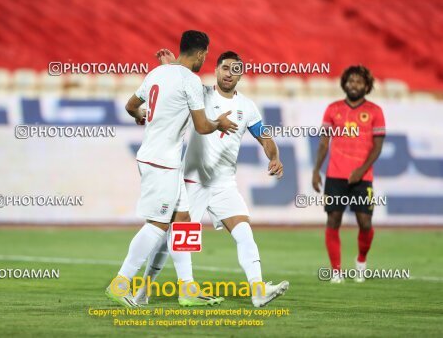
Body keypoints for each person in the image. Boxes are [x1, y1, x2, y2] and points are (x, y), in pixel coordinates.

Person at [134, 49, 289, 308]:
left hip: (224, 184)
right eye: (225, 68)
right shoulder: (200, 93)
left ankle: (258, 290)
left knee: (244, 233)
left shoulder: (247, 107)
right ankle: (144, 289)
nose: (230, 74)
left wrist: (274, 157)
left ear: (241, 75)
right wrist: (171, 66)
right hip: (191, 182)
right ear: (216, 70)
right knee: (170, 238)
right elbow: (178, 80)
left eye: (236, 70)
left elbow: (266, 138)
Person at [105, 31, 238, 307]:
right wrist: (219, 124)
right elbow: (202, 126)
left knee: (183, 221)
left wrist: (144, 116)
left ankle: (187, 288)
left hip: (159, 159)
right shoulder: (190, 80)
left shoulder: (158, 74)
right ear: (201, 54)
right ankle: (121, 283)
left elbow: (131, 106)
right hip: (162, 161)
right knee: (157, 224)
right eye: (206, 55)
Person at [312, 65, 386, 283]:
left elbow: (377, 147)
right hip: (335, 176)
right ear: (344, 83)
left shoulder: (375, 111)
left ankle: (361, 260)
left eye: (359, 82)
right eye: (351, 81)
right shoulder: (332, 109)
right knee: (333, 220)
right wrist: (316, 170)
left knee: (365, 223)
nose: (354, 85)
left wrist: (361, 171)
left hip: (362, 178)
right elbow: (324, 143)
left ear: (367, 86)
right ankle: (336, 271)